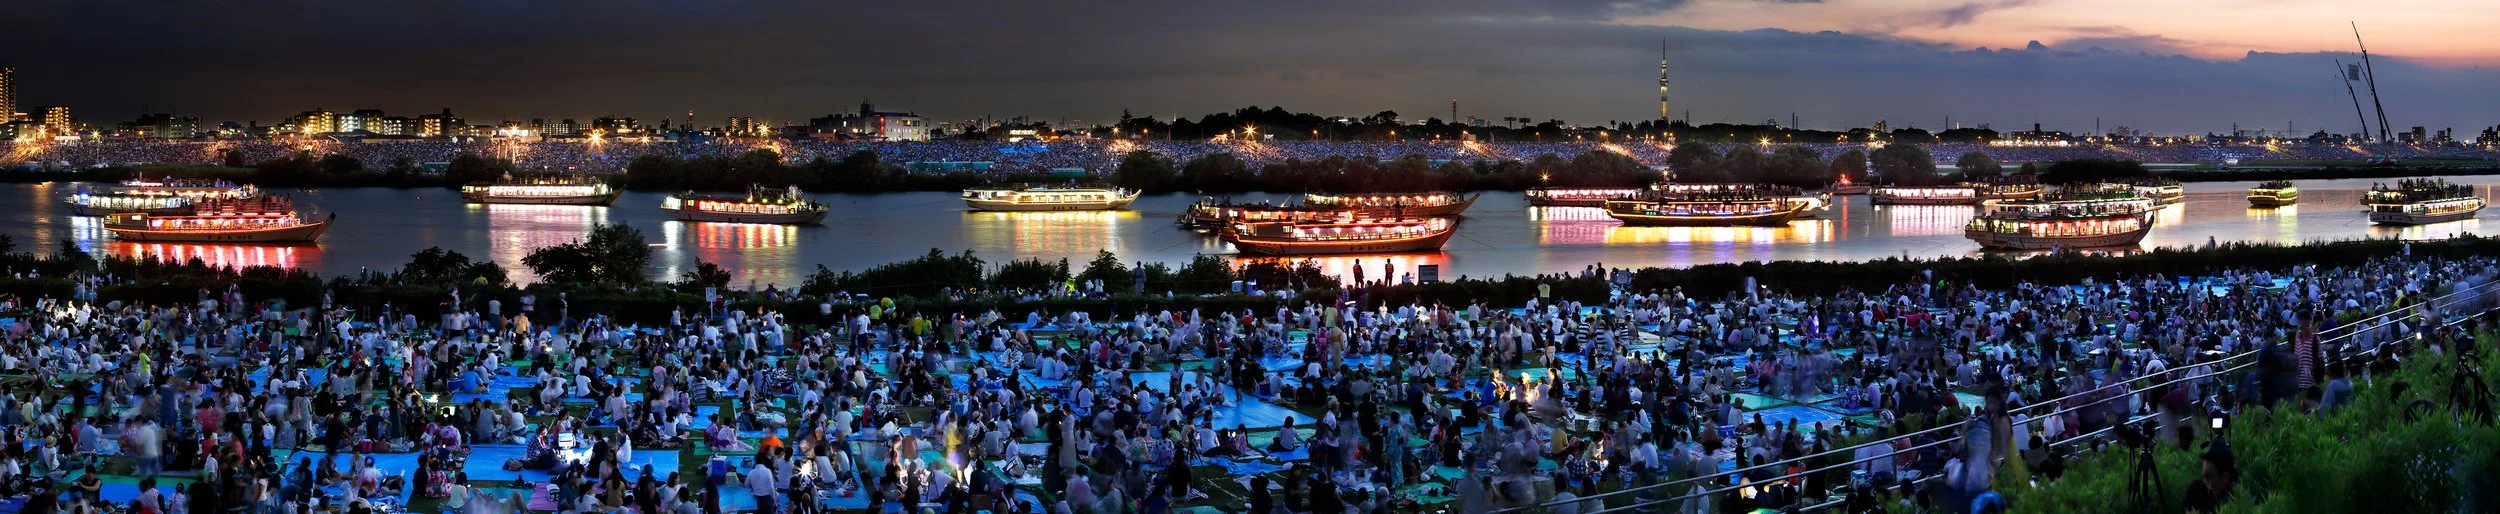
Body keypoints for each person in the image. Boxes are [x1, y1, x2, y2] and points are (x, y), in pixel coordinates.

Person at [2182, 443, 2235, 513]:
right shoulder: (2207, 495)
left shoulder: (2237, 505)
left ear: (2225, 477)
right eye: (2203, 476)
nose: (2205, 482)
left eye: (2208, 477)